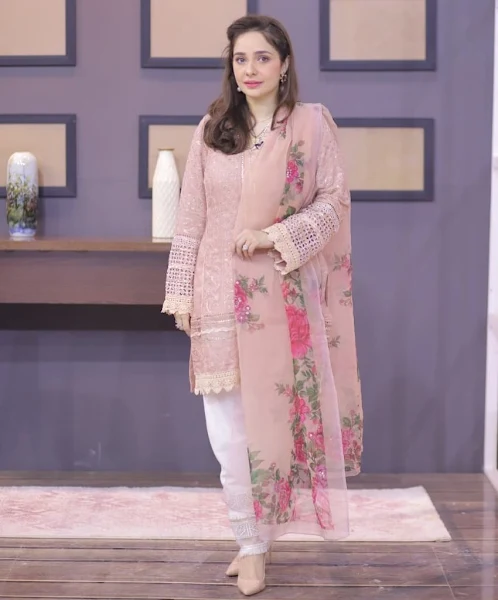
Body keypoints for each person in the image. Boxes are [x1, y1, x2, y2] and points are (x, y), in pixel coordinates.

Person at [162, 14, 363, 597]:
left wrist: (276, 235)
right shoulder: (212, 130)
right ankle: (249, 543)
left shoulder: (311, 126)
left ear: (284, 64)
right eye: (240, 59)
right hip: (217, 292)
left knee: (271, 428)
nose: (249, 70)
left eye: (262, 58)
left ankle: (262, 537)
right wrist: (181, 291)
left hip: (281, 296)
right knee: (227, 433)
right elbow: (191, 220)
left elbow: (334, 201)